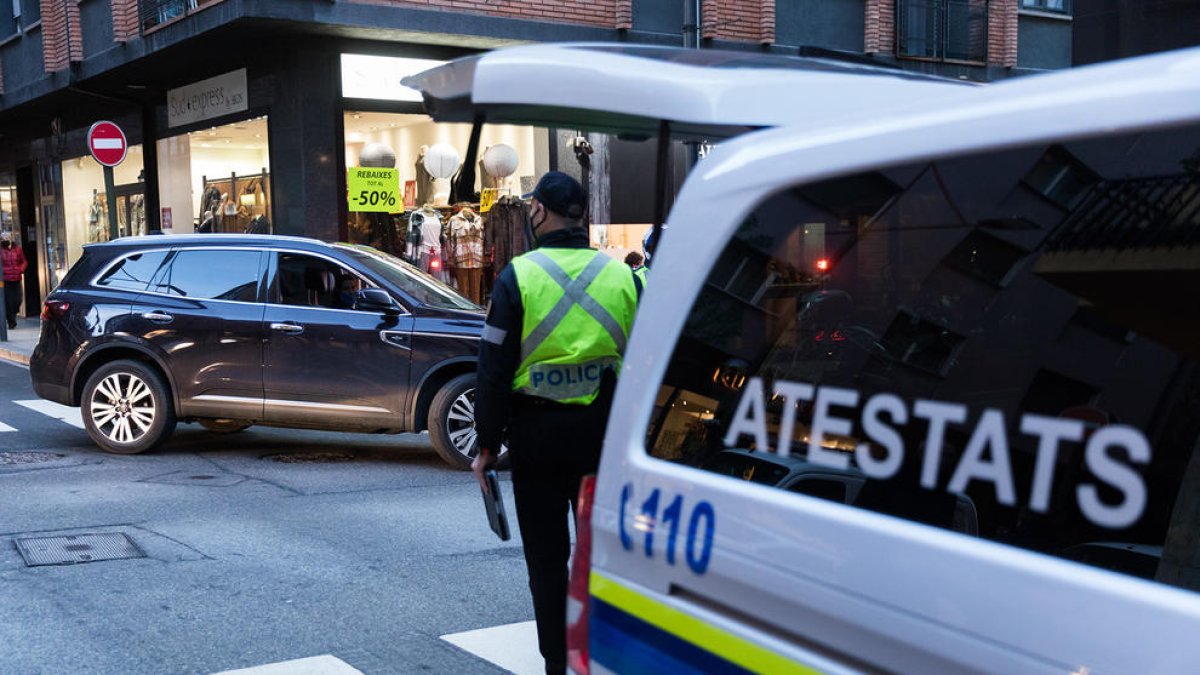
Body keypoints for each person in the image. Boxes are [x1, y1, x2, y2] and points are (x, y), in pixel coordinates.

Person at [472, 172, 640, 675]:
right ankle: (603, 654)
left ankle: (557, 666)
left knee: (547, 564)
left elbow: (494, 368)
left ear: (540, 211)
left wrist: (485, 444)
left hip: (537, 438)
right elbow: (642, 362)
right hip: (603, 440)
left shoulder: (517, 276)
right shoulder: (623, 277)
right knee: (601, 560)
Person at [1, 231, 28, 329]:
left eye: (8, 237)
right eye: (4, 238)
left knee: (18, 300)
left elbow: (24, 261)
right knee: (9, 302)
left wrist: (20, 269)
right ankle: (11, 321)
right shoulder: (1, 250)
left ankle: (13, 315)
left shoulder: (18, 249)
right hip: (6, 280)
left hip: (17, 278)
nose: (6, 239)